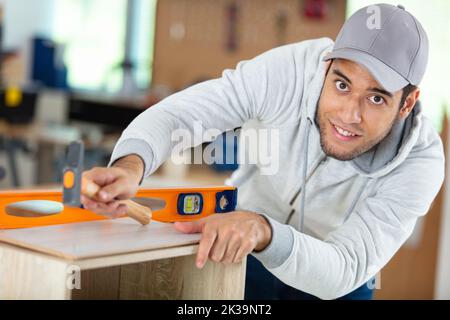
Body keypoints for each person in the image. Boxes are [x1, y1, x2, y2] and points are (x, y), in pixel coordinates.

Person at [81, 4, 445, 300]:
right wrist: (131, 164)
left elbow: (346, 266)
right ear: (326, 66)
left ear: (407, 103)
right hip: (243, 250)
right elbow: (183, 113)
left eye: (376, 97)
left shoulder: (420, 163)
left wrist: (265, 230)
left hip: (335, 280)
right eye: (342, 84)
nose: (349, 114)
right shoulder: (290, 71)